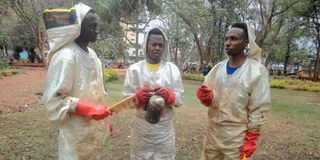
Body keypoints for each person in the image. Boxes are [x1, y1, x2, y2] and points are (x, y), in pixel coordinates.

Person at [42, 3, 112, 160]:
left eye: (97, 26)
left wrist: (106, 122)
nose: (97, 30)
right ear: (78, 27)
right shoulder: (66, 56)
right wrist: (88, 109)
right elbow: (53, 101)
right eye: (91, 26)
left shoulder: (93, 55)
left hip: (96, 130)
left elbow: (99, 93)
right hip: (75, 134)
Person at [196, 22, 271, 160]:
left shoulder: (257, 71)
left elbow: (259, 107)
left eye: (233, 39)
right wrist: (205, 97)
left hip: (237, 136)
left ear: (246, 43)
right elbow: (207, 93)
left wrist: (251, 137)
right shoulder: (217, 69)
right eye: (226, 38)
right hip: (213, 131)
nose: (228, 43)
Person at [123, 27, 184, 160]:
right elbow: (126, 100)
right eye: (154, 44)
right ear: (146, 45)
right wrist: (137, 97)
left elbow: (180, 99)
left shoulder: (172, 70)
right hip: (141, 131)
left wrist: (170, 96)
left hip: (164, 131)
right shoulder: (134, 70)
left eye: (160, 45)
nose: (157, 48)